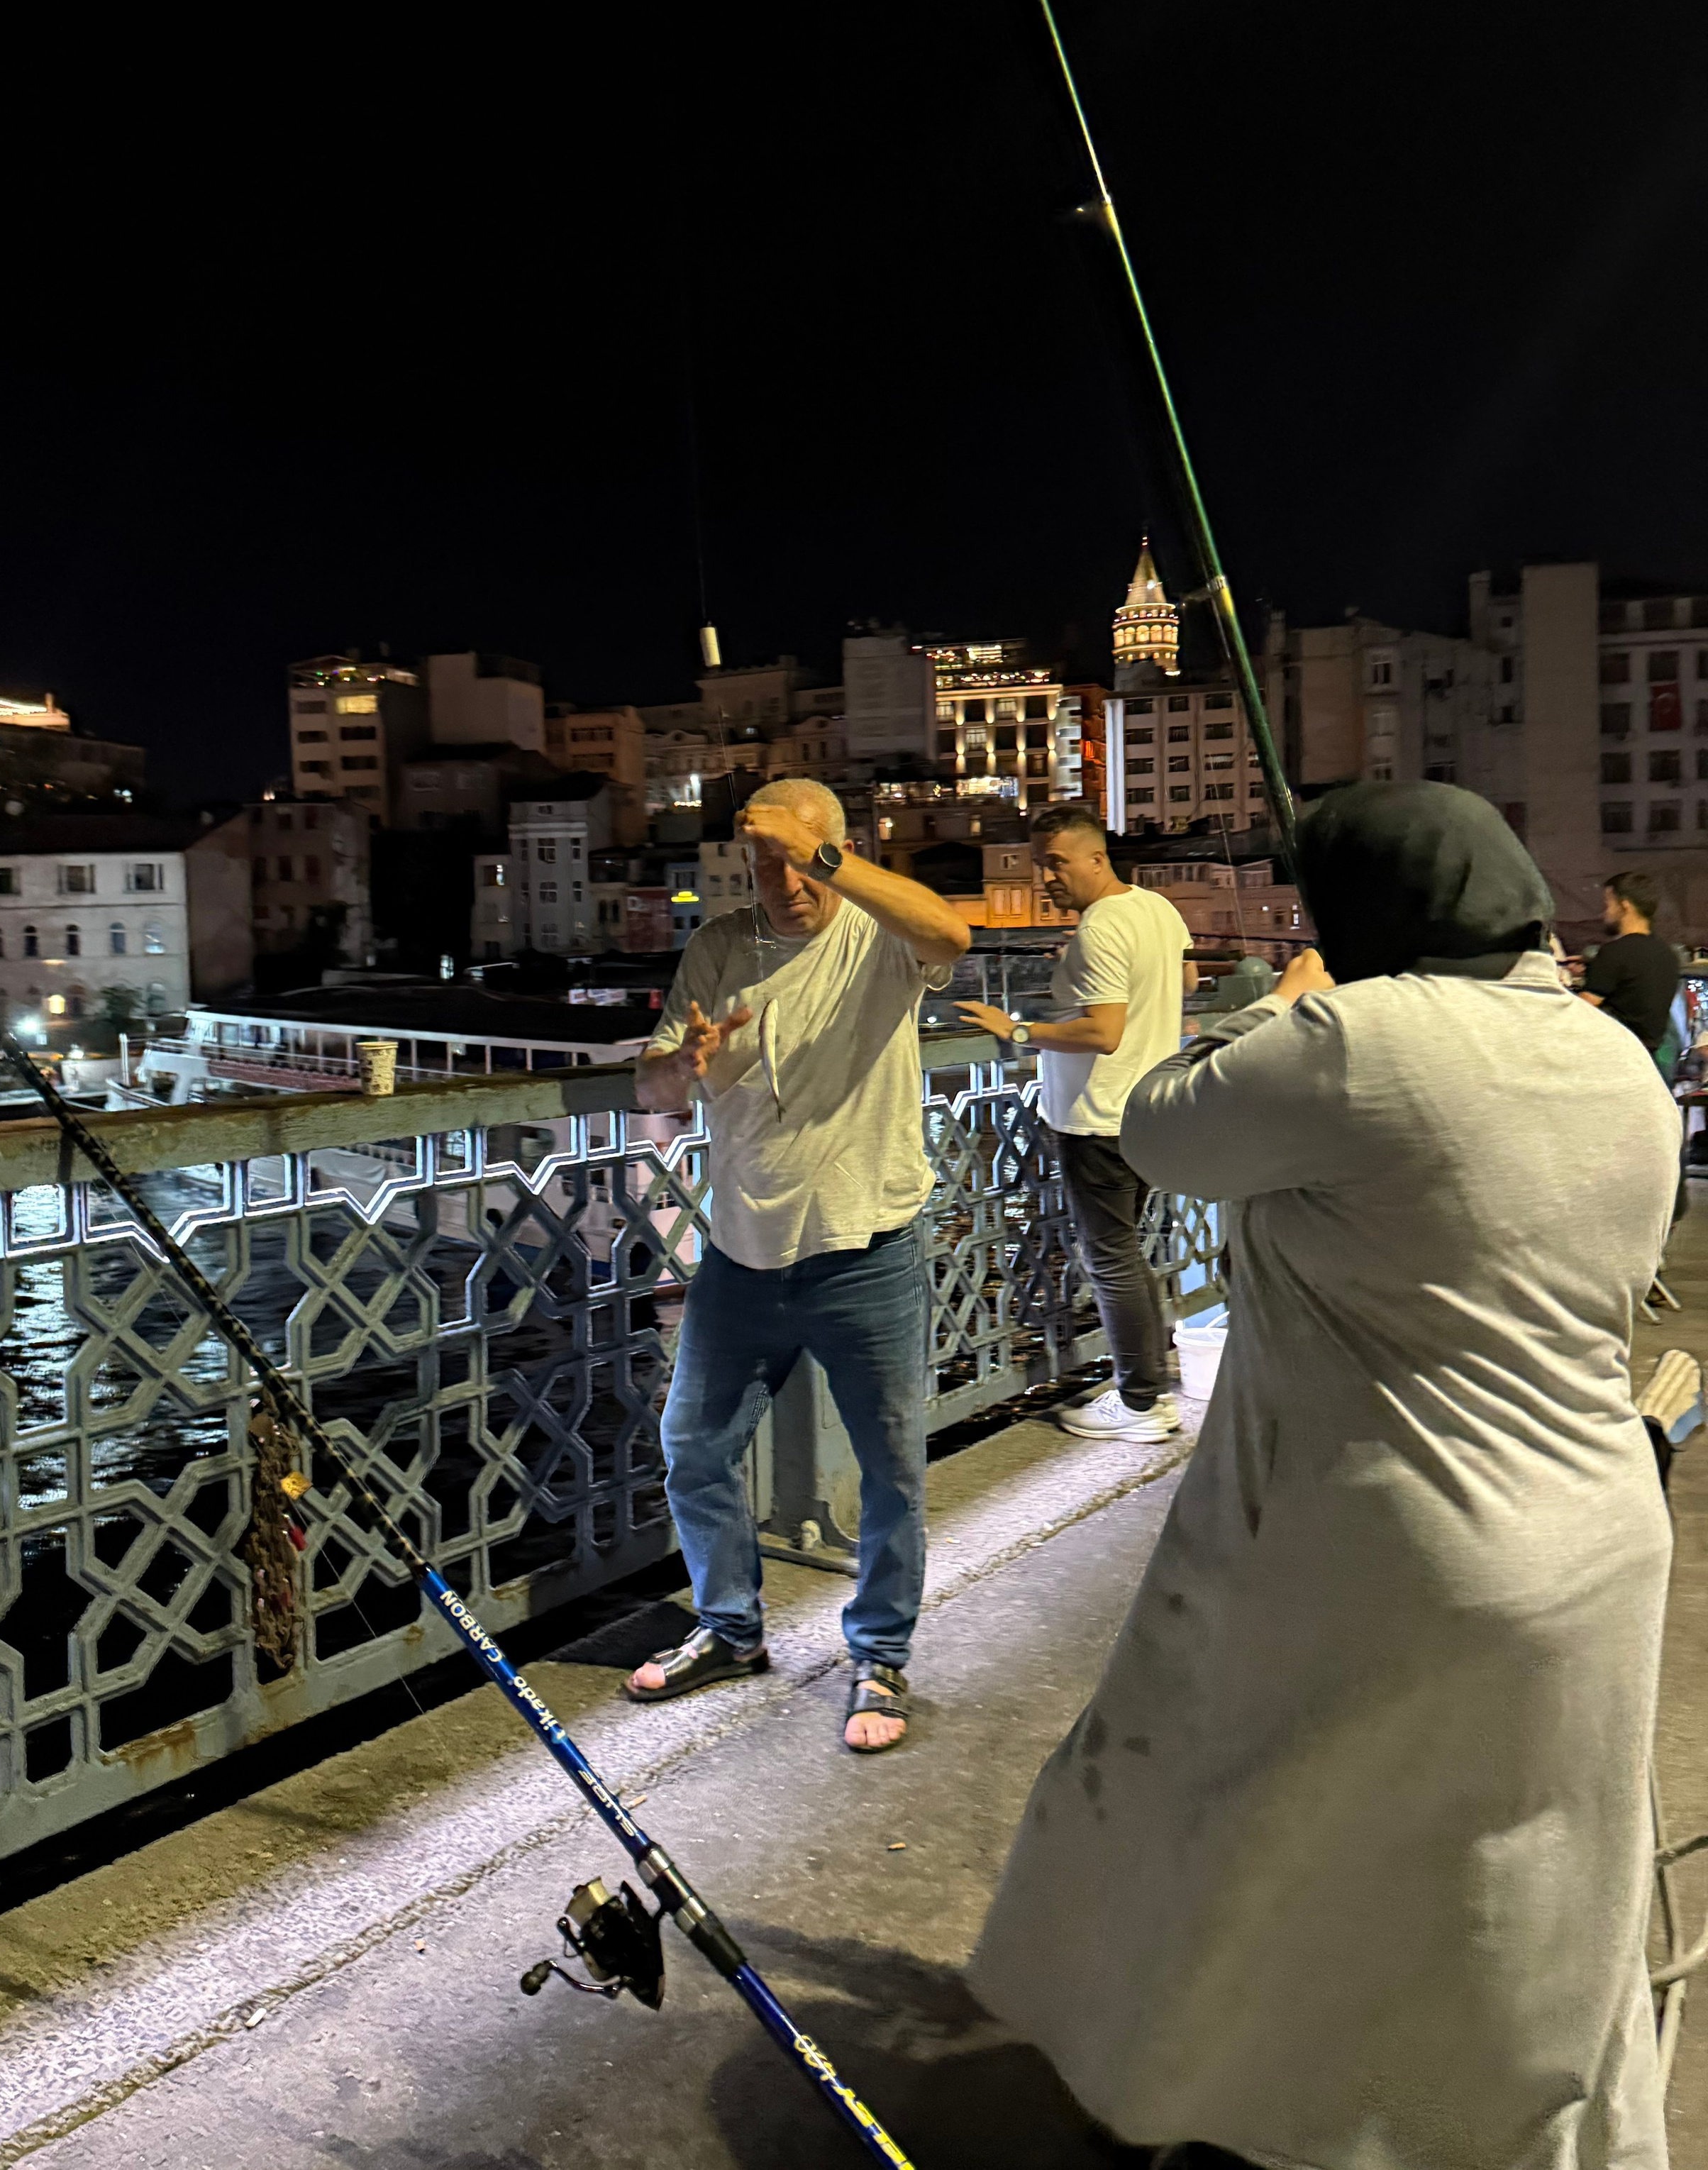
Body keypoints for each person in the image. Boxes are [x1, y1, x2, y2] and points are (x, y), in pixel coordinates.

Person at [968, 781, 1678, 2169]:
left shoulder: (1362, 1035)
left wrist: (1289, 993)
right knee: (1523, 1885)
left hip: (1407, 1537)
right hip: (1598, 1532)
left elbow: (1156, 1123)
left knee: (1290, 1836)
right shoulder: (1612, 1061)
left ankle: (1283, 2116)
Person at [625, 777, 969, 1753]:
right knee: (693, 1445)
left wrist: (826, 859)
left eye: (801, 857)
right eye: (763, 859)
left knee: (892, 1468)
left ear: (838, 850)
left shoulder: (877, 934)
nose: (785, 880)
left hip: (869, 1246)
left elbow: (952, 938)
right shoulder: (721, 946)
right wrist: (678, 1065)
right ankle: (730, 1628)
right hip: (743, 1252)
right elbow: (650, 1080)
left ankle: (881, 1655)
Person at [956, 803, 1192, 1444]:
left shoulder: (1101, 929)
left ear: (1096, 858)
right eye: (1040, 866)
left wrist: (1019, 1030)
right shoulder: (1157, 910)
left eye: (1056, 863)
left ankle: (1142, 1403)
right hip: (1150, 1109)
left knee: (1109, 1258)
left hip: (1099, 1118)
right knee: (1126, 1252)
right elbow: (1188, 976)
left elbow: (1104, 1032)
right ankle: (1152, 1383)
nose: (1047, 878)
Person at [1582, 869, 1681, 1070]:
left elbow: (1583, 1008)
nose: (1604, 913)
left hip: (1613, 1060)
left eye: (1608, 904)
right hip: (1648, 1062)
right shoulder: (1668, 955)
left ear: (1624, 906)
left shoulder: (1614, 952)